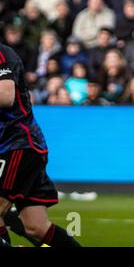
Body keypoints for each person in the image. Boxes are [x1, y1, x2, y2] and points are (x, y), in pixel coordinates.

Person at [0, 42, 81, 247]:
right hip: (17, 146)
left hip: (16, 145)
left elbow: (6, 96)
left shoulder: (2, 54)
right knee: (35, 226)